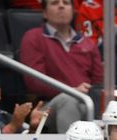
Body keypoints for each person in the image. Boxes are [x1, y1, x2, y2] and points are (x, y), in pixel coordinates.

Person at [19, 0, 103, 132]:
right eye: (54, 3)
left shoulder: (87, 43)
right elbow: (34, 81)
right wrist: (72, 90)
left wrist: (88, 91)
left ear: (73, 11)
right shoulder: (33, 37)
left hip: (86, 102)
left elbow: (98, 81)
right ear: (45, 13)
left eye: (66, 3)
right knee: (68, 100)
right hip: (48, 106)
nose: (61, 6)